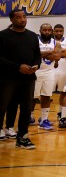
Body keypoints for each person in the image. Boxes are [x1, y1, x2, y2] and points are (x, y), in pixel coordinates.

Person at [0, 9, 41, 149]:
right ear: (11, 20)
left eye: (24, 16)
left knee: (26, 108)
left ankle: (22, 137)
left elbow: (37, 55)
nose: (22, 19)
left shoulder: (32, 36)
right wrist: (18, 67)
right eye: (18, 17)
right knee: (2, 106)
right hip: (7, 78)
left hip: (28, 78)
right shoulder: (3, 36)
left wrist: (36, 65)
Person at [33, 24, 61, 130]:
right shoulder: (35, 41)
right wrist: (50, 52)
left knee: (46, 96)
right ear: (40, 30)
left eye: (49, 30)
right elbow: (33, 54)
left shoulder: (56, 43)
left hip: (49, 72)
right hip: (36, 71)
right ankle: (29, 117)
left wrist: (40, 54)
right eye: (45, 30)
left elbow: (57, 56)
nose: (47, 32)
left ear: (52, 31)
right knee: (33, 97)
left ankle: (44, 120)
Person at [52, 24, 66, 120]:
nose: (59, 33)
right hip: (50, 69)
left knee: (63, 92)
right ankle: (33, 116)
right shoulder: (49, 41)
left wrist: (55, 52)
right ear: (53, 31)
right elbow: (50, 52)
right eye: (57, 31)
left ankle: (60, 113)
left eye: (61, 31)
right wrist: (62, 52)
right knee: (45, 94)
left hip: (64, 69)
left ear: (63, 31)